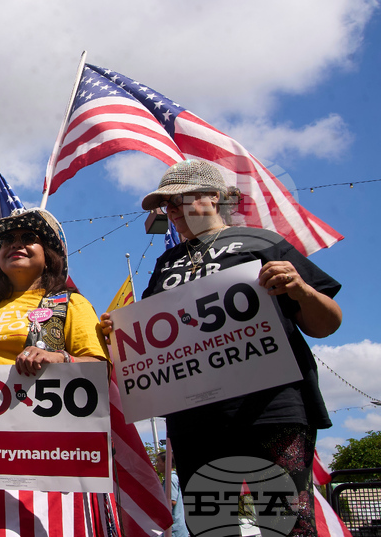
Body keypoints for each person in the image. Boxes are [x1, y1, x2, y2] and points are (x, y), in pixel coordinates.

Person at [102, 159, 342, 535]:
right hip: (195, 420)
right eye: (168, 205)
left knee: (287, 524)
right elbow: (149, 339)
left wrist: (301, 289)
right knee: (213, 527)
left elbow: (326, 323)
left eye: (181, 199)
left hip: (271, 409)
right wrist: (118, 334)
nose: (173, 211)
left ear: (214, 197)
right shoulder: (166, 263)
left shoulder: (261, 242)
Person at [0, 208, 108, 537]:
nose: (17, 245)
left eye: (29, 238)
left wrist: (59, 359)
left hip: (52, 454)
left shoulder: (72, 304)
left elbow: (100, 370)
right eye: (7, 241)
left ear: (49, 254)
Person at [155, 450, 187, 537]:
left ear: (166, 462)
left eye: (158, 461)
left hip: (174, 528)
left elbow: (172, 501)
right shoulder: (171, 478)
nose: (157, 464)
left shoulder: (171, 479)